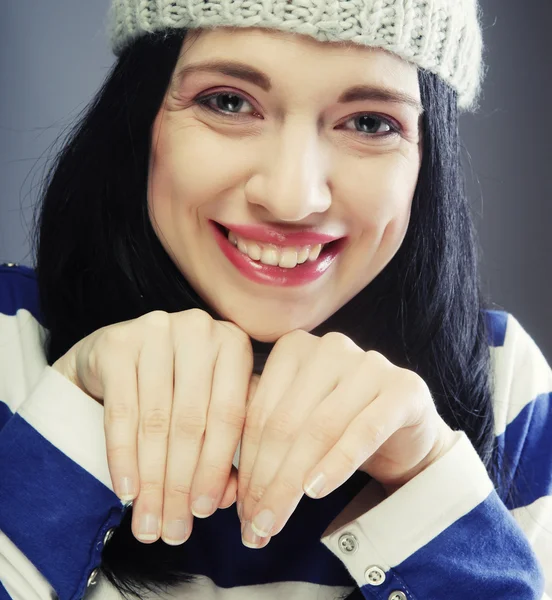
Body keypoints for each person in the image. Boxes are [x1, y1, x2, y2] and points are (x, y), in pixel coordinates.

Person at [0, 0, 551, 598]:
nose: (292, 199)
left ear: (426, 154)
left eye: (369, 122)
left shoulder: (504, 384)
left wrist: (425, 479)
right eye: (228, 102)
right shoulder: (9, 342)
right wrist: (70, 420)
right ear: (140, 117)